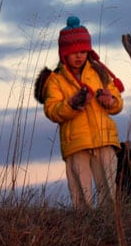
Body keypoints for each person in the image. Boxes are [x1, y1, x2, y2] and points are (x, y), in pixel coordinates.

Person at [36, 15, 125, 208]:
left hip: (104, 139)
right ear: (64, 53)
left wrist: (110, 101)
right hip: (75, 144)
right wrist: (72, 105)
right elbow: (51, 110)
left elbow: (118, 103)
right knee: (81, 194)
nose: (79, 56)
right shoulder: (56, 80)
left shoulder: (100, 73)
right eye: (74, 52)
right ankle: (83, 226)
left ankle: (109, 224)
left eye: (83, 51)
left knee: (109, 189)